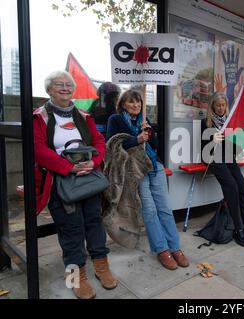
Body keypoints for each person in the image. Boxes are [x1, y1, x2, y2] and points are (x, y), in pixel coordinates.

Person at [33, 71, 117, 299]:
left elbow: (99, 142)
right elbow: (38, 149)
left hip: (88, 178)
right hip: (59, 180)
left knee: (94, 222)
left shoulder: (84, 115)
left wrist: (93, 161)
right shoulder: (39, 117)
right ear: (49, 89)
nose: (64, 88)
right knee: (71, 229)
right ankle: (75, 277)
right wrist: (67, 167)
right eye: (58, 84)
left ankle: (101, 266)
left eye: (68, 85)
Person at [106, 89, 189, 270]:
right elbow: (113, 146)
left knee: (165, 208)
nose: (136, 105)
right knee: (150, 211)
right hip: (137, 171)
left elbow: (154, 146)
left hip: (155, 167)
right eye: (131, 102)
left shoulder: (144, 119)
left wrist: (150, 133)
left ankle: (175, 247)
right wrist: (136, 139)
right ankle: (161, 249)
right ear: (123, 104)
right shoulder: (116, 120)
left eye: (138, 102)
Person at [201, 92, 244, 247]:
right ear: (213, 106)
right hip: (214, 159)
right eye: (218, 105)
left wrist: (238, 139)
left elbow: (235, 149)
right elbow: (202, 149)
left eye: (223, 105)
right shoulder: (206, 123)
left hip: (229, 158)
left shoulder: (230, 121)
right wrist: (211, 139)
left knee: (242, 187)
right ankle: (238, 228)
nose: (221, 108)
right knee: (232, 187)